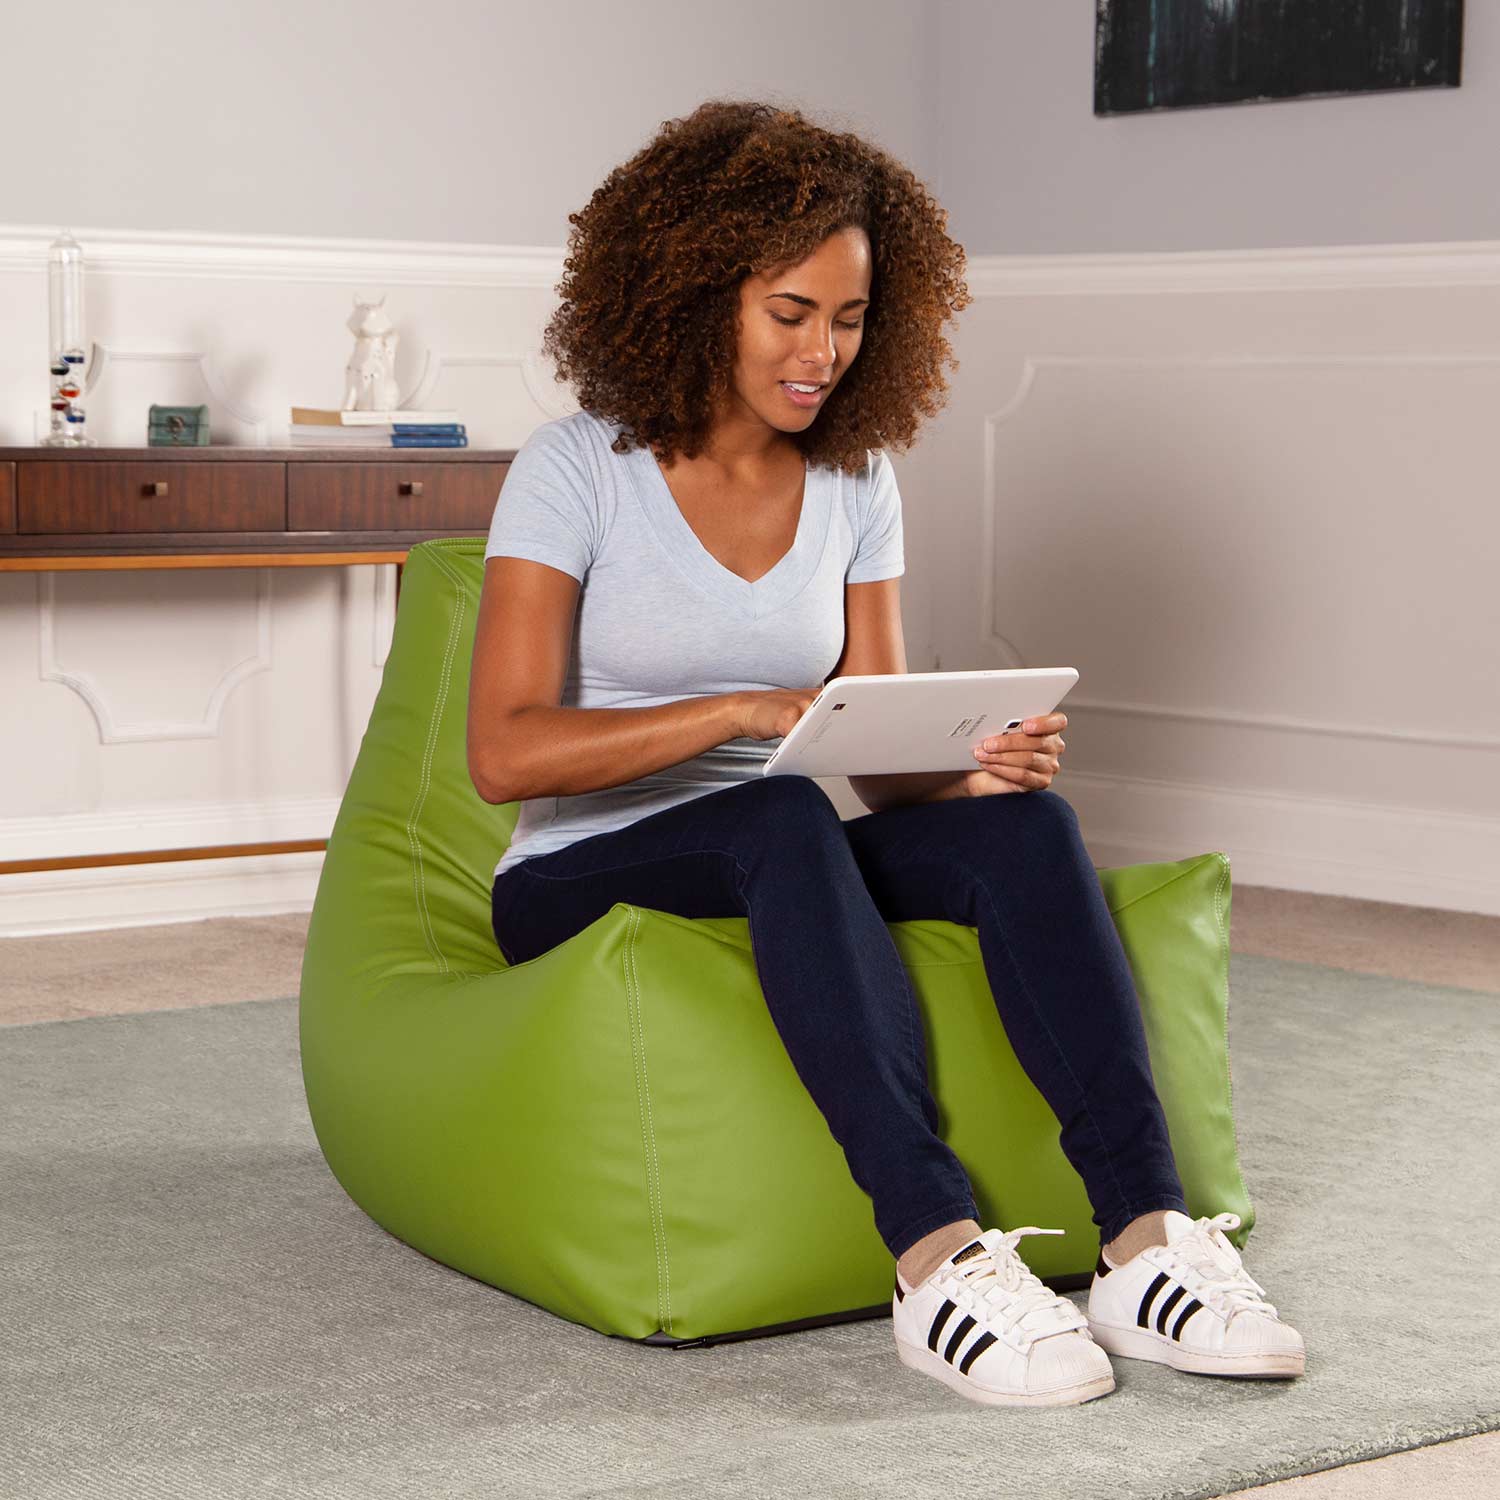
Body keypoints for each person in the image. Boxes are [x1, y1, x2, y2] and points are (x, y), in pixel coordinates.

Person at [468, 99, 1304, 1408]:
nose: (823, 354)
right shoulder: (578, 467)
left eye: (851, 320)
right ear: (693, 293)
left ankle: (1145, 1240)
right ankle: (934, 1255)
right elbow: (505, 754)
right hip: (582, 869)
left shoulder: (856, 477)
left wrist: (970, 771)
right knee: (781, 815)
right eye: (789, 313)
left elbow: (875, 737)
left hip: (785, 847)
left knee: (1025, 827)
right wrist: (741, 711)